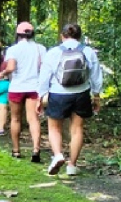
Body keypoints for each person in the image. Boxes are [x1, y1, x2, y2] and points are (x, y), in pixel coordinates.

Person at [38, 23, 103, 176]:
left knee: (54, 128)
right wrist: (97, 95)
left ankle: (58, 155)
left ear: (62, 36)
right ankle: (72, 165)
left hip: (58, 93)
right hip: (81, 93)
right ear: (79, 37)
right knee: (77, 129)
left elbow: (44, 77)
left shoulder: (53, 52)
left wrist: (40, 97)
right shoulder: (88, 51)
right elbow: (96, 75)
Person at [1, 22, 46, 162]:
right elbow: (44, 68)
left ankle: (16, 150)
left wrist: (3, 72)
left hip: (17, 87)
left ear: (18, 34)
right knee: (33, 119)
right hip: (34, 87)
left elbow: (11, 67)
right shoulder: (41, 48)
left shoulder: (13, 49)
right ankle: (36, 149)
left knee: (15, 118)